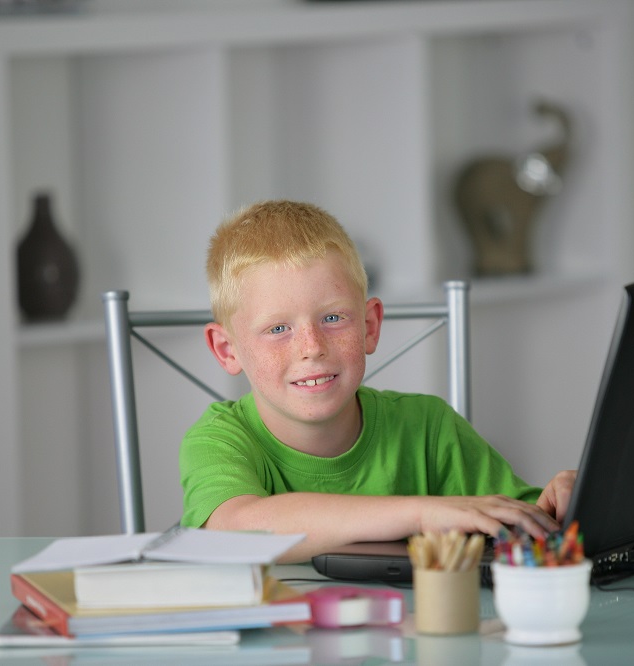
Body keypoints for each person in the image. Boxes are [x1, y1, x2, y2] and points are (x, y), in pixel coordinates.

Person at [180, 200, 575, 562]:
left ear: (370, 326)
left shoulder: (428, 427)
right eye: (278, 328)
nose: (311, 347)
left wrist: (565, 502)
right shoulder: (219, 440)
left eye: (333, 318)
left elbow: (524, 526)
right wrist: (420, 513)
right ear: (227, 350)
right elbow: (234, 529)